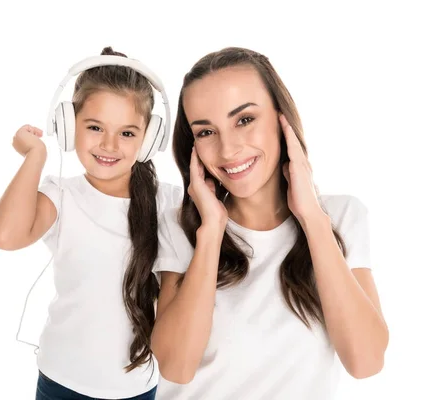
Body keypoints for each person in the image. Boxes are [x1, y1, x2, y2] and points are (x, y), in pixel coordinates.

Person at [150, 47, 389, 400]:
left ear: (282, 120)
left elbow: (366, 361)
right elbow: (176, 367)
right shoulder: (182, 227)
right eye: (205, 132)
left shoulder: (341, 217)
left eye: (244, 120)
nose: (228, 149)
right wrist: (212, 231)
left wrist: (312, 220)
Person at [0, 47, 181, 400]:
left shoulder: (166, 203)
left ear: (150, 138)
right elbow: (4, 236)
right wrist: (36, 155)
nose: (109, 144)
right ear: (67, 125)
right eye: (94, 127)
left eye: (127, 133)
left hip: (134, 389)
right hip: (60, 381)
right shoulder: (61, 197)